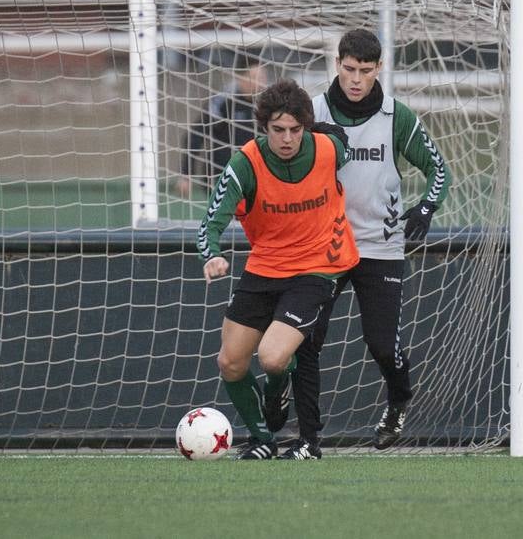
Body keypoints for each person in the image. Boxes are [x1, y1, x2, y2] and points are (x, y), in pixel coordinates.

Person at [298, 28, 451, 449]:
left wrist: (425, 207)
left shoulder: (395, 115)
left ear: (379, 68)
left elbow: (440, 171)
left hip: (380, 247)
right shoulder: (310, 112)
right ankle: (304, 431)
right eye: (349, 69)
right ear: (337, 64)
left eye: (365, 71)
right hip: (324, 246)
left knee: (384, 346)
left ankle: (399, 400)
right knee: (304, 338)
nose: (356, 79)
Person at [195, 78, 356, 460]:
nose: (287, 138)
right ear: (264, 128)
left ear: (306, 127)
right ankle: (263, 437)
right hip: (264, 266)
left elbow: (343, 140)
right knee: (230, 362)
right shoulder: (245, 163)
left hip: (318, 267)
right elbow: (210, 222)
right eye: (278, 130)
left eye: (295, 130)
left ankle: (280, 388)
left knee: (271, 357)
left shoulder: (328, 150)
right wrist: (212, 254)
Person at [176, 53, 268, 198]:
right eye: (256, 77)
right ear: (241, 77)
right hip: (220, 176)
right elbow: (196, 135)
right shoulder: (223, 102)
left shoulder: (268, 105)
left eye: (263, 77)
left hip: (255, 177)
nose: (262, 82)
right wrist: (186, 173)